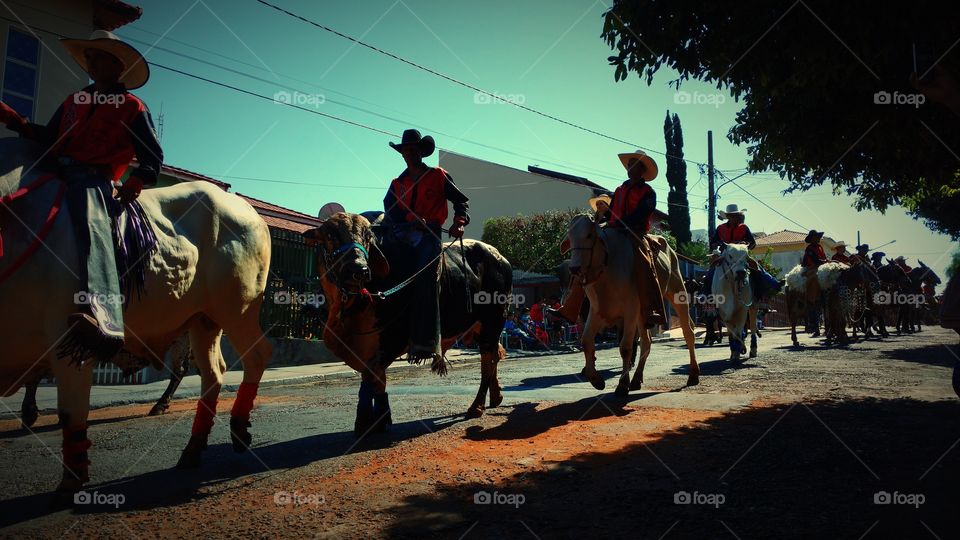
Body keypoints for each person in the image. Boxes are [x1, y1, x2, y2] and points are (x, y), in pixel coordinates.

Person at [0, 30, 162, 362]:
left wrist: (137, 181)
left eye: (98, 56)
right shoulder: (75, 101)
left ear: (116, 66)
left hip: (93, 180)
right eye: (88, 56)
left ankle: (104, 318)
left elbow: (152, 155)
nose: (91, 61)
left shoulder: (132, 107)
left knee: (91, 225)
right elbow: (48, 137)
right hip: (56, 169)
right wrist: (15, 120)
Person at [550, 150, 664, 327]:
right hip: (614, 230)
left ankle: (651, 308)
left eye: (634, 165)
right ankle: (570, 308)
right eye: (629, 165)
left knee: (645, 263)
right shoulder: (619, 190)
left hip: (635, 233)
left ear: (641, 170)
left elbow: (642, 213)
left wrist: (620, 222)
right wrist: (603, 219)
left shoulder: (649, 192)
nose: (629, 168)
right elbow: (612, 213)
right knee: (585, 258)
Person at [383, 129, 468, 363]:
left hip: (429, 236)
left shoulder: (439, 176)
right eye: (405, 150)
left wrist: (458, 223)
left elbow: (460, 202)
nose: (409, 153)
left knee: (425, 274)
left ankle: (425, 341)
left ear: (421, 152)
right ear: (401, 154)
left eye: (413, 149)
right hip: (402, 234)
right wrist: (404, 222)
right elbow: (390, 209)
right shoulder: (396, 183)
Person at [801, 230, 828, 336]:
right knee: (813, 280)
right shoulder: (809, 249)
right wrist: (825, 262)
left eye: (818, 237)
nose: (818, 239)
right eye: (816, 237)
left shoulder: (820, 247)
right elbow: (815, 260)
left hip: (822, 267)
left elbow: (823, 258)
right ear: (812, 239)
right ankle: (811, 298)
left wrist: (826, 262)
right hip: (811, 268)